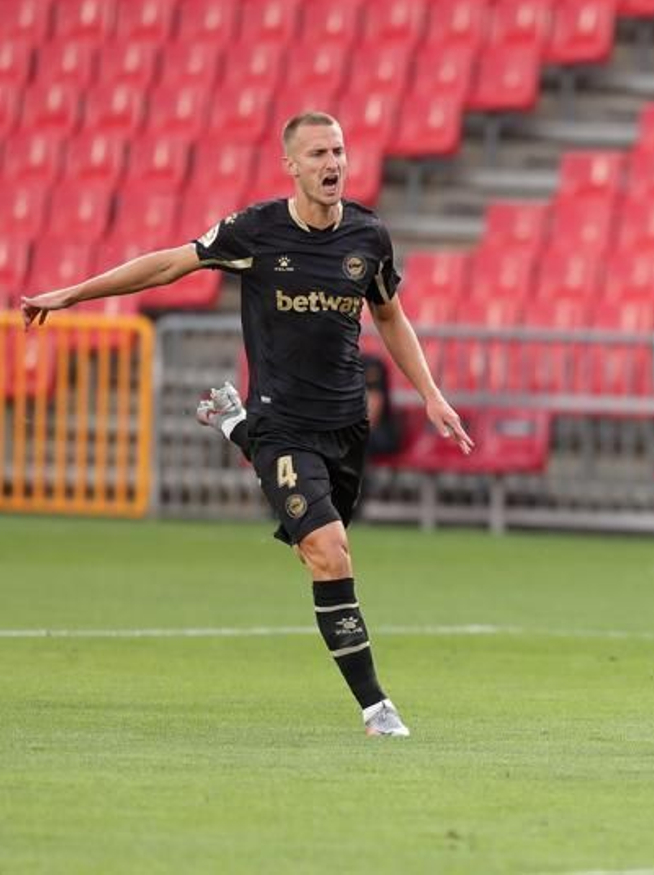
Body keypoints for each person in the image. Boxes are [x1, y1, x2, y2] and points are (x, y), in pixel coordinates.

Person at [21, 111, 474, 738]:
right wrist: (71, 294)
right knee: (328, 551)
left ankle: (235, 426)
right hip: (284, 423)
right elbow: (166, 265)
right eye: (317, 154)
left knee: (324, 545)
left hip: (345, 426)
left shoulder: (369, 236)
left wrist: (431, 395)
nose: (331, 164)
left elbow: (391, 317)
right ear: (291, 165)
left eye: (338, 151)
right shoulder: (254, 231)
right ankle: (377, 707)